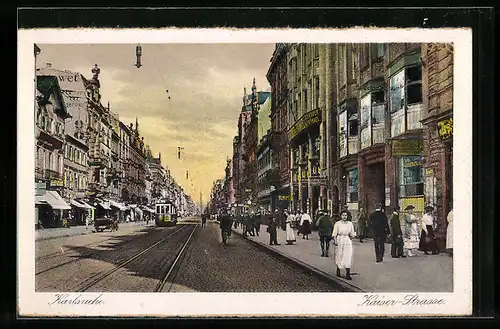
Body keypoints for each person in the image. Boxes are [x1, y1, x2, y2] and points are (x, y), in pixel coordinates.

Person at [332, 210, 356, 280]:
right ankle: (338, 269)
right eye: (343, 215)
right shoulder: (337, 224)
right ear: (341, 216)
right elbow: (334, 234)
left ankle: (348, 272)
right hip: (339, 239)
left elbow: (352, 234)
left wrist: (351, 236)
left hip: (347, 240)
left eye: (345, 215)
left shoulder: (350, 224)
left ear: (347, 216)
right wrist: (335, 241)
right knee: (339, 254)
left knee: (347, 255)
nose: (344, 217)